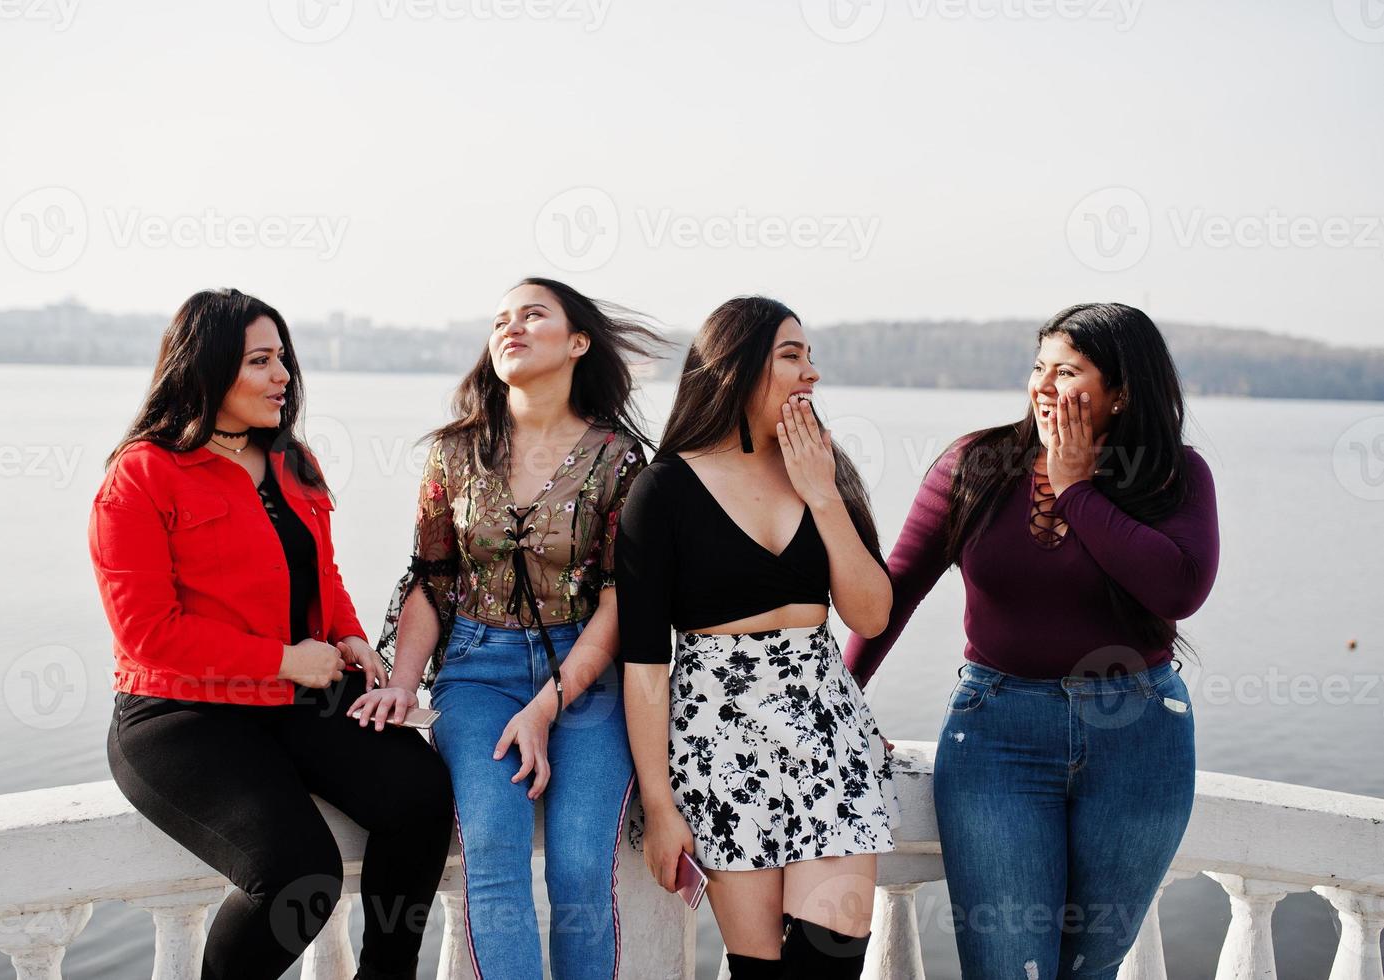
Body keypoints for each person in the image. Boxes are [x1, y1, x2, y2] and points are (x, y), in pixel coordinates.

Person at [843, 302, 1221, 980]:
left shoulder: (1175, 477)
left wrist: (1076, 488)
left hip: (1138, 740)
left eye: (1068, 372)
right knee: (1005, 967)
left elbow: (1178, 591)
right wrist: (839, 702)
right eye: (1038, 367)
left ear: (1122, 392)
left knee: (1089, 967)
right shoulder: (974, 466)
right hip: (998, 740)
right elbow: (891, 595)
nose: (1044, 385)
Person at [91, 288, 453, 980]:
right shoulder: (140, 476)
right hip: (180, 715)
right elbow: (147, 633)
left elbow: (324, 570)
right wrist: (285, 658)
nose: (283, 376)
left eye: (282, 358)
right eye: (260, 360)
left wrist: (349, 637)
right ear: (206, 367)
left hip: (295, 695)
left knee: (420, 795)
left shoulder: (292, 462)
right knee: (298, 876)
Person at [353, 277, 661, 979]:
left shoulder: (619, 460)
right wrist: (404, 681)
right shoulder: (454, 454)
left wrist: (545, 708)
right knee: (493, 855)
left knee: (583, 870)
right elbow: (431, 579)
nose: (509, 328)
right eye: (500, 320)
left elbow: (620, 601)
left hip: (586, 674)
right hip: (476, 669)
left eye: (532, 315)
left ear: (577, 342)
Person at [618, 296, 898, 979]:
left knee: (830, 955)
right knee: (761, 970)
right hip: (718, 737)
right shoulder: (663, 490)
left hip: (825, 727)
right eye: (792, 355)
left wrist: (823, 496)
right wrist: (659, 805)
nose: (812, 373)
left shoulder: (820, 468)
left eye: (809, 356)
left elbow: (869, 615)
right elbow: (646, 665)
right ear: (736, 365)